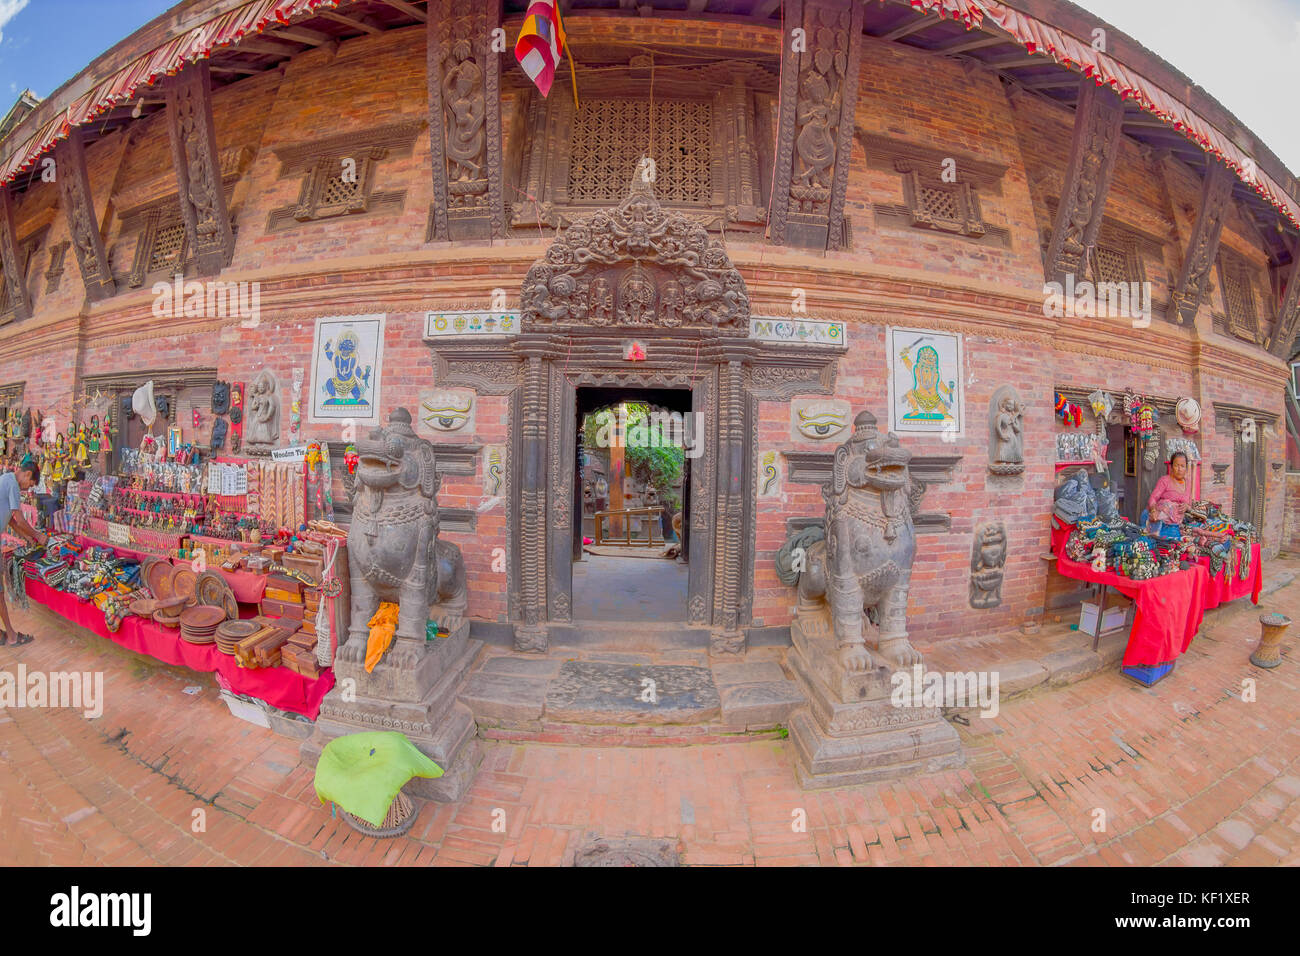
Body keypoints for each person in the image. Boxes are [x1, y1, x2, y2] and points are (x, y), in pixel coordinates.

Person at [0, 460, 47, 646]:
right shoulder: (12, 483)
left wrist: (27, 537)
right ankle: (11, 636)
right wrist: (37, 535)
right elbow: (18, 517)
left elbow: (11, 520)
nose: (29, 488)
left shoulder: (6, 480)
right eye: (31, 484)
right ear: (28, 475)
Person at [1146, 451, 1191, 537]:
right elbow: (1153, 498)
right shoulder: (1165, 480)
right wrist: (1153, 511)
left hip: (1176, 523)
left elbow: (1189, 504)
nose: (1179, 469)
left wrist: (1186, 507)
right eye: (1176, 465)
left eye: (1182, 466)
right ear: (1171, 467)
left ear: (1186, 468)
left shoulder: (1188, 483)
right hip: (1159, 521)